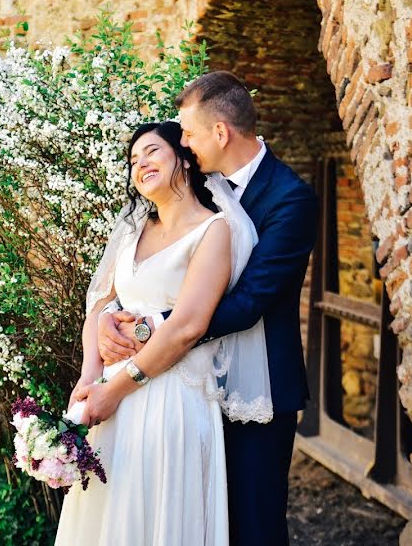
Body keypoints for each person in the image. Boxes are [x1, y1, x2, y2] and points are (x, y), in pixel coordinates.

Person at [95, 71, 318, 545]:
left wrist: (150, 329)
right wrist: (110, 318)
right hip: (187, 388)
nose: (185, 143)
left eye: (190, 134)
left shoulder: (290, 199)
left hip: (258, 394)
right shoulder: (195, 184)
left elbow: (248, 301)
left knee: (253, 526)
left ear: (221, 133)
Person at [55, 120, 269, 545]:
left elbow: (188, 326)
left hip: (171, 399)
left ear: (185, 161)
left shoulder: (214, 231)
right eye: (134, 159)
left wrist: (116, 389)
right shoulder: (134, 229)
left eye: (151, 151)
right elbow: (100, 299)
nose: (140, 163)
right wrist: (89, 376)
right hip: (109, 399)